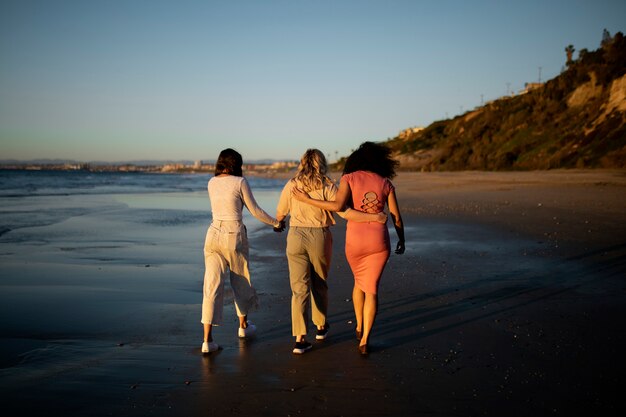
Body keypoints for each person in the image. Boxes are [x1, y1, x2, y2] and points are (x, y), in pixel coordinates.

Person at [292, 142, 405, 355]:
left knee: (358, 283)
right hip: (379, 241)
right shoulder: (385, 183)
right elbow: (396, 217)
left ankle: (359, 325)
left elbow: (338, 207)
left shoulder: (349, 178)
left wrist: (307, 200)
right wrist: (402, 239)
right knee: (371, 289)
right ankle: (364, 339)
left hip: (355, 241)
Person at [276, 149, 385, 355]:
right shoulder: (326, 185)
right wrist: (373, 217)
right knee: (319, 283)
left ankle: (299, 339)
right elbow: (344, 212)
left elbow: (280, 213)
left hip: (295, 236)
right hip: (319, 236)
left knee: (299, 289)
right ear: (321, 163)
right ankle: (320, 326)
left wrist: (279, 222)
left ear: (302, 163)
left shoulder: (292, 184)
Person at [201, 148, 284, 353]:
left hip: (212, 234)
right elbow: (254, 210)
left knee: (211, 286)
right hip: (233, 234)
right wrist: (276, 223)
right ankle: (243, 326)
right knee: (241, 280)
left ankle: (207, 341)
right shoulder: (240, 182)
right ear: (234, 164)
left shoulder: (211, 182)